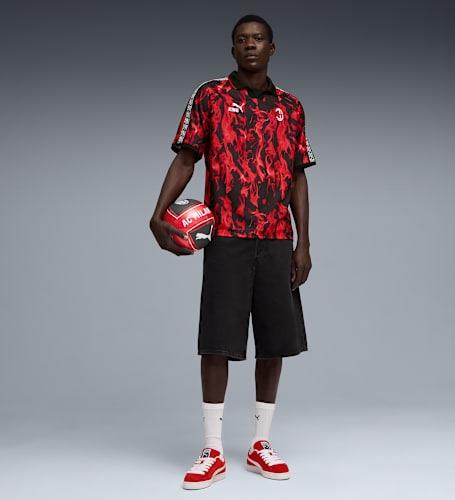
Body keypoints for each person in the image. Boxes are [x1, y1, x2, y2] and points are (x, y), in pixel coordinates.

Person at [149, 14, 316, 490]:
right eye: (242, 39)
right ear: (233, 49)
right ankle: (213, 449)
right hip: (225, 236)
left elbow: (298, 175)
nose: (250, 45)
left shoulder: (291, 106)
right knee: (217, 341)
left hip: (276, 237)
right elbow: (186, 158)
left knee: (274, 341)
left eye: (258, 39)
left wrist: (303, 241)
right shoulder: (211, 96)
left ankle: (261, 444)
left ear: (272, 48)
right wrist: (157, 214)